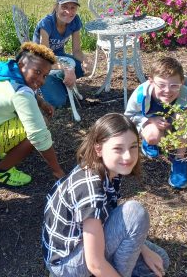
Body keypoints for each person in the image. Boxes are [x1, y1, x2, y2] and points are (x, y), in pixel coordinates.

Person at [43, 113, 169, 277]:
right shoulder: (90, 189)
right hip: (67, 264)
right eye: (118, 148)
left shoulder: (108, 169)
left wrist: (144, 250)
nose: (128, 156)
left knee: (160, 259)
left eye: (133, 147)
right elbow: (95, 263)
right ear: (99, 149)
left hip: (86, 244)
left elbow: (107, 213)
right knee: (135, 213)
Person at [124, 56, 187, 190]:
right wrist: (149, 120)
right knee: (153, 136)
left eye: (174, 86)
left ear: (182, 82)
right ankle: (150, 143)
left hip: (174, 126)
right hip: (152, 124)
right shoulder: (141, 94)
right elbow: (129, 116)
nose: (167, 91)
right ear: (151, 81)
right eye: (161, 85)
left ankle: (179, 159)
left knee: (183, 118)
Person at [0, 42, 65, 187]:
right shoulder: (21, 94)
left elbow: (20, 90)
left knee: (31, 117)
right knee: (39, 126)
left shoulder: (5, 70)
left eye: (45, 75)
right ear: (21, 65)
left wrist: (41, 102)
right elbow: (38, 136)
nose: (41, 80)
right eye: (37, 72)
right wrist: (57, 171)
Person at [33, 0, 89, 108]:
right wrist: (67, 68)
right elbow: (46, 58)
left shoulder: (75, 20)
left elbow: (77, 51)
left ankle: (59, 81)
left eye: (73, 8)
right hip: (41, 65)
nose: (69, 12)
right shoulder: (46, 24)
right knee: (58, 102)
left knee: (80, 68)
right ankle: (42, 84)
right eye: (64, 7)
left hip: (59, 58)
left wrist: (85, 61)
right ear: (56, 6)